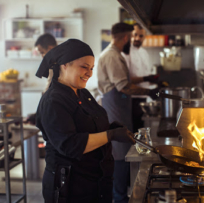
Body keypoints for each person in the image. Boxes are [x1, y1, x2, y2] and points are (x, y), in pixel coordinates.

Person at [35, 39, 136, 203]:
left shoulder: (82, 93)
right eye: (84, 67)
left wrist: (110, 128)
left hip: (94, 184)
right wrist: (110, 135)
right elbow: (70, 144)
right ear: (65, 65)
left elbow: (88, 125)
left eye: (91, 68)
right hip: (70, 188)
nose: (89, 73)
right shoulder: (53, 101)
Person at [97, 22, 159, 203]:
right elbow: (123, 86)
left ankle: (121, 195)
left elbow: (125, 80)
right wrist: (149, 91)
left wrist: (147, 81)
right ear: (125, 37)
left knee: (123, 150)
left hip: (119, 107)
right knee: (119, 152)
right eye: (131, 37)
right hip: (114, 108)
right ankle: (119, 197)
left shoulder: (115, 55)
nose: (131, 41)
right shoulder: (112, 56)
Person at [122, 23, 159, 132]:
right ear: (130, 35)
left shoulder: (144, 53)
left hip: (143, 98)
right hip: (130, 100)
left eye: (141, 36)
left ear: (145, 37)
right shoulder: (125, 53)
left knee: (141, 130)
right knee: (132, 131)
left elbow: (145, 77)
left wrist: (154, 82)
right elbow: (125, 80)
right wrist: (146, 78)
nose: (137, 38)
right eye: (135, 35)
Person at [25, 33, 57, 125]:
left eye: (42, 52)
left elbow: (50, 84)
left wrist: (39, 112)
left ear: (50, 48)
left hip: (56, 104)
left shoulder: (54, 62)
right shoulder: (65, 57)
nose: (42, 56)